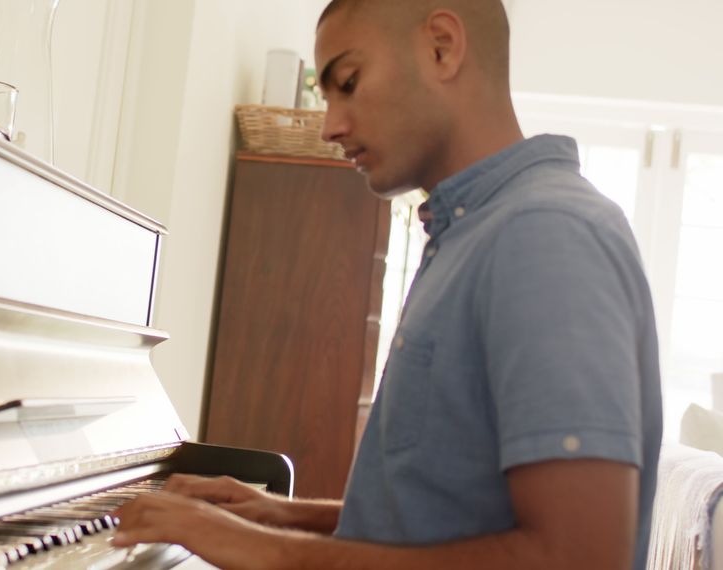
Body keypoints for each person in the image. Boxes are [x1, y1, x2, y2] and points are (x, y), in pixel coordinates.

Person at [112, 0, 663, 568]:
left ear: (441, 47)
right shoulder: (473, 233)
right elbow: (446, 518)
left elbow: (580, 557)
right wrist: (282, 514)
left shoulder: (545, 236)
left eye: (348, 83)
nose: (330, 126)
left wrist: (267, 550)